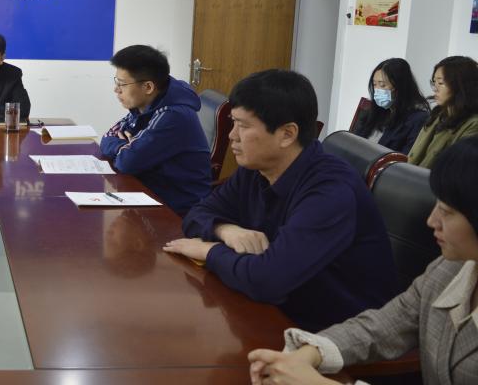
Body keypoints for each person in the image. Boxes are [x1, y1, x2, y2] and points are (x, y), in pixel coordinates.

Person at [247, 136, 478, 385]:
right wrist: (309, 354)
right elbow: (386, 324)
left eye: (447, 212)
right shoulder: (450, 269)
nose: (432, 220)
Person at [164, 69, 397, 332]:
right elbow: (197, 214)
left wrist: (208, 251)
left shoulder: (330, 191)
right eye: (233, 122)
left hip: (336, 335)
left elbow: (267, 280)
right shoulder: (257, 168)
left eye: (243, 126)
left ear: (287, 134)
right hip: (277, 312)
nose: (232, 135)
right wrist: (225, 230)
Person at [98, 45, 211, 214]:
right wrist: (124, 146)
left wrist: (128, 148)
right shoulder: (144, 105)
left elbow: (128, 162)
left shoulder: (173, 115)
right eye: (117, 82)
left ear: (148, 87)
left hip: (177, 209)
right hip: (148, 193)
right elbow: (107, 138)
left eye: (122, 84)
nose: (116, 90)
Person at [408, 56, 478, 168]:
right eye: (434, 82)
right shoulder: (438, 115)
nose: (435, 89)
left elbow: (458, 169)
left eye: (440, 83)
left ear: (461, 85)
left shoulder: (474, 124)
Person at [350, 57, 430, 153]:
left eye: (382, 85)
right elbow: (353, 143)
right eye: (374, 84)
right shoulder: (375, 111)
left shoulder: (418, 119)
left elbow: (406, 158)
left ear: (400, 86)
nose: (377, 90)